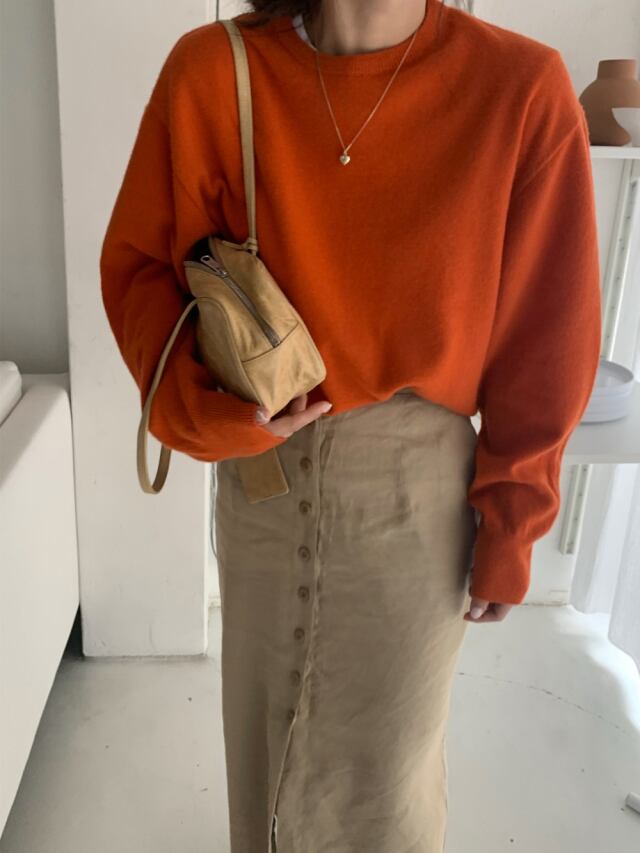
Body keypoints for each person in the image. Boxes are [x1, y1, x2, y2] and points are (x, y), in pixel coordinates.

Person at [99, 1, 602, 850]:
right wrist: (217, 416)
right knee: (262, 760)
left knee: (385, 787)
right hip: (262, 485)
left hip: (416, 502)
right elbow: (141, 273)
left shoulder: (519, 89)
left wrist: (513, 520)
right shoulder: (212, 73)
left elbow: (548, 336)